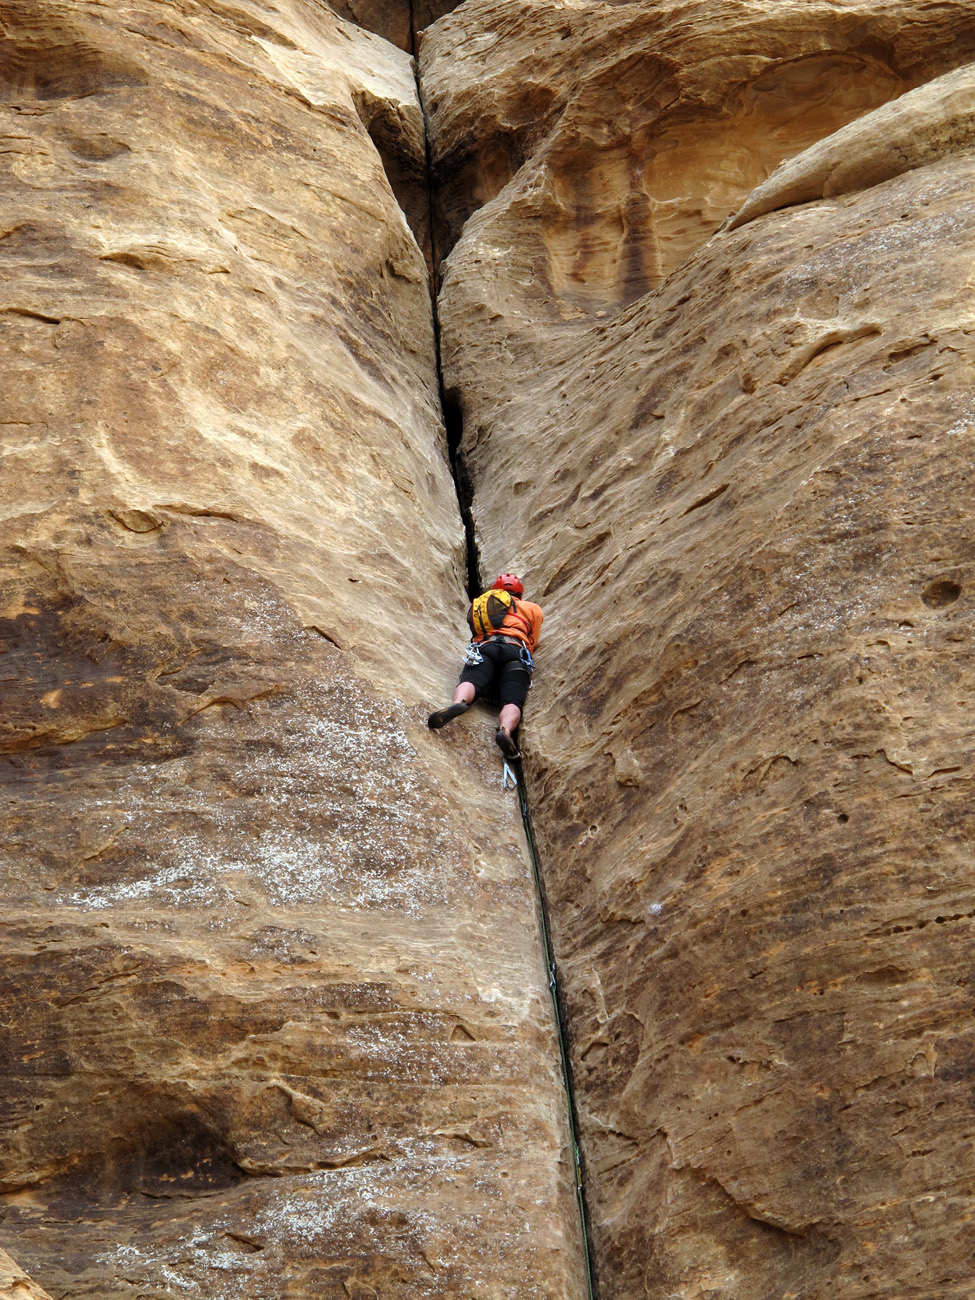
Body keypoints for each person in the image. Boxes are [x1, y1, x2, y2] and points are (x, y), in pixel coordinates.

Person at [427, 573, 543, 759]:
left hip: (485, 648)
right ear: (519, 594)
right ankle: (504, 732)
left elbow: (475, 631)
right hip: (515, 652)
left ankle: (458, 704)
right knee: (512, 700)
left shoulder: (482, 604)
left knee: (471, 680)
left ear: (494, 591)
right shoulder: (532, 608)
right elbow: (532, 643)